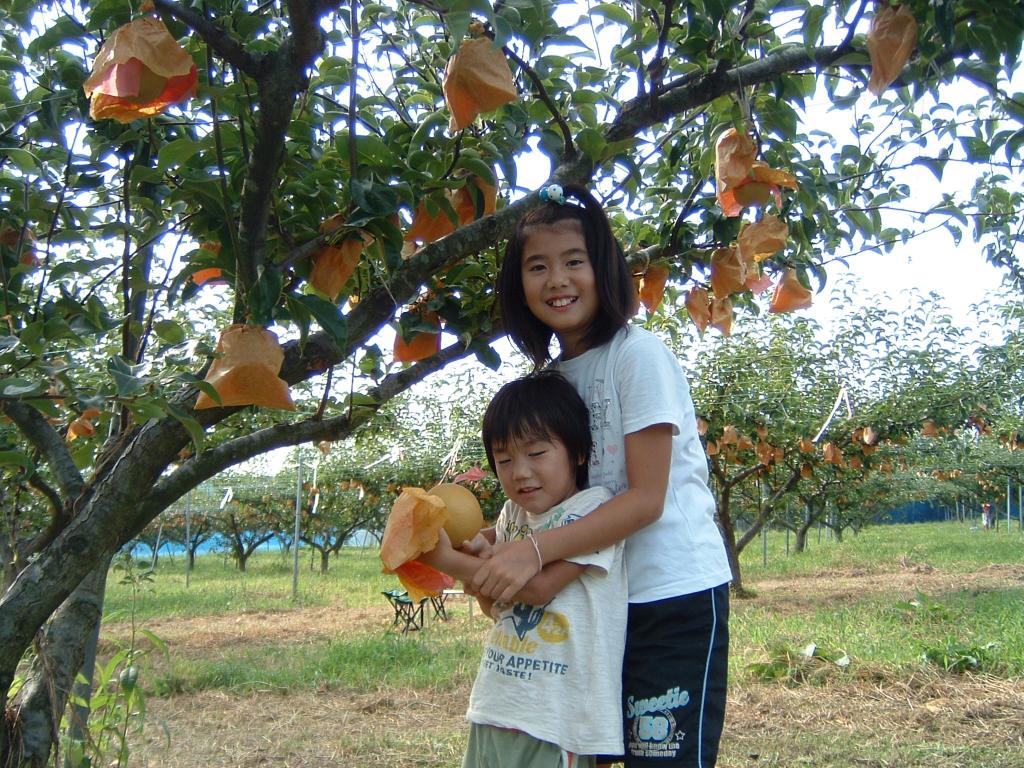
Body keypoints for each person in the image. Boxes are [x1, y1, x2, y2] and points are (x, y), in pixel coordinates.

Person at [471, 182, 733, 767]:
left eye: (574, 262)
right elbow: (560, 499)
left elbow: (645, 500)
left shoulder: (637, 356)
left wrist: (533, 552)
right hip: (596, 604)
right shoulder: (554, 380)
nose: (556, 280)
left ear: (604, 269)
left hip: (670, 596)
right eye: (537, 267)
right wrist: (501, 539)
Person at [420, 370, 628, 768]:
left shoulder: (594, 511)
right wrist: (475, 557)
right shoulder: (512, 515)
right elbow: (498, 604)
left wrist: (446, 561)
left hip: (555, 719)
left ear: (578, 452)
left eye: (536, 454)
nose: (520, 472)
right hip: (496, 704)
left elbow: (538, 589)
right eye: (504, 459)